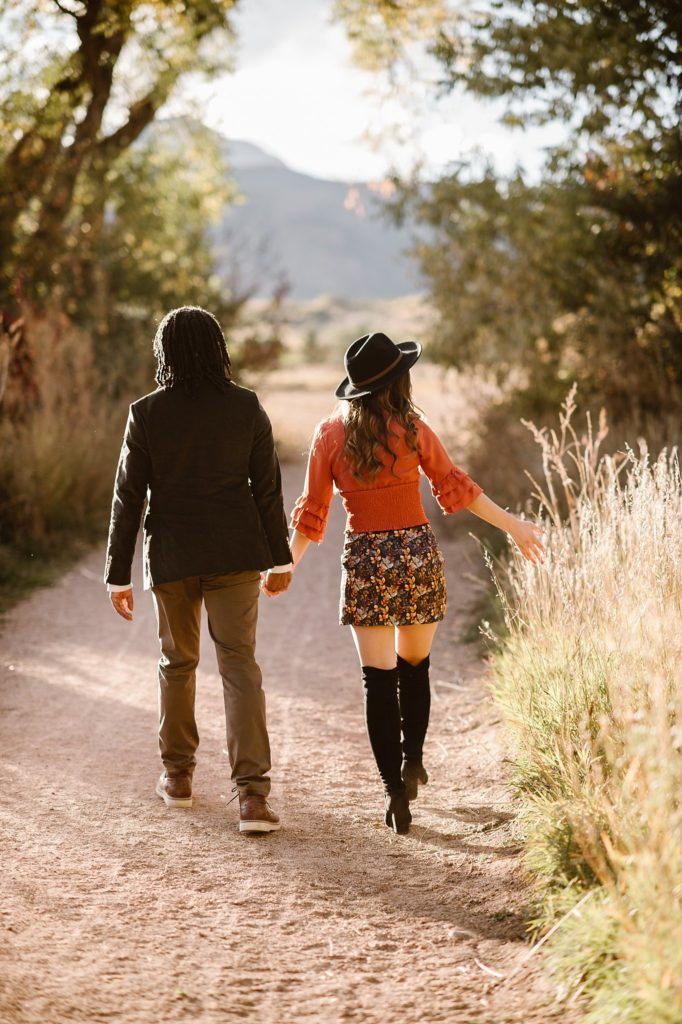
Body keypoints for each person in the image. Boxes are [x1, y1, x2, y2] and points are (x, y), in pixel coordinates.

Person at [277, 332, 544, 834]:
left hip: (366, 560)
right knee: (414, 666)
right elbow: (458, 487)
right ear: (399, 381)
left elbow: (313, 512)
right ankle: (413, 760)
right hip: (416, 556)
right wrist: (514, 526)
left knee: (376, 680)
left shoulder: (329, 435)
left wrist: (288, 565)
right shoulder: (414, 428)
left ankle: (394, 795)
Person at [104, 306, 293, 834]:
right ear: (218, 349)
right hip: (236, 553)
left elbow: (128, 497)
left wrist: (118, 574)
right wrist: (280, 558)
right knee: (239, 665)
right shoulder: (246, 406)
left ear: (164, 352)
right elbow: (268, 490)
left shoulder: (146, 412)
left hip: (172, 556)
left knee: (177, 662)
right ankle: (252, 797)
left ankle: (178, 777)